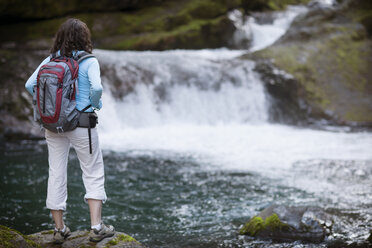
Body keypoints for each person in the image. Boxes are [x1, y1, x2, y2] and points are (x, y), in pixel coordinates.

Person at [25, 18, 115, 244]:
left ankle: (59, 229)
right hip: (81, 123)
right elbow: (96, 87)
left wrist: (48, 107)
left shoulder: (51, 59)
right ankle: (96, 227)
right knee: (92, 171)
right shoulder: (89, 61)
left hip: (53, 124)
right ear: (85, 38)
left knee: (56, 172)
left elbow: (29, 84)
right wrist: (96, 104)